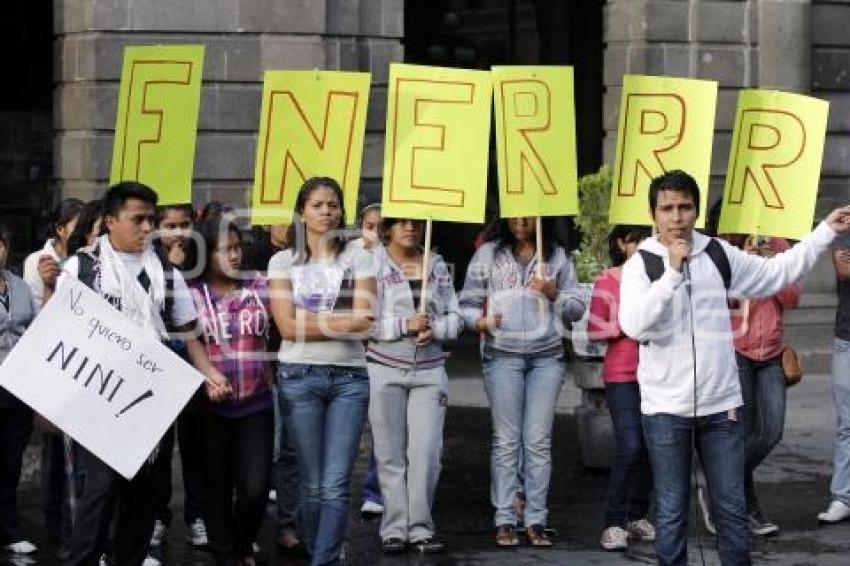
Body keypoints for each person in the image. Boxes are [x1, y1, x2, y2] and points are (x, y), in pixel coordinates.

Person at [618, 169, 850, 566]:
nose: (677, 217)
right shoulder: (643, 265)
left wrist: (824, 232)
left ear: (696, 211)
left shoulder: (718, 253)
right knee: (672, 512)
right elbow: (635, 324)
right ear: (654, 215)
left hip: (721, 407)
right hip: (665, 410)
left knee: (730, 510)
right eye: (667, 208)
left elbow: (777, 272)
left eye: (685, 207)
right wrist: (672, 273)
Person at [56, 182, 222, 566]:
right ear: (110, 221)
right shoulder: (80, 269)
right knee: (100, 488)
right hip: (94, 397)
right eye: (139, 219)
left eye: (152, 218)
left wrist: (209, 372)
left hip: (149, 400)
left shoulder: (166, 271)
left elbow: (188, 329)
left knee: (143, 494)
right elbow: (57, 333)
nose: (149, 227)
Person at [267, 176, 376, 565]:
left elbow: (368, 320)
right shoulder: (282, 262)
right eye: (318, 204)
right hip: (299, 377)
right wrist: (343, 321)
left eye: (333, 204)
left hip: (349, 378)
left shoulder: (359, 257)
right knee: (311, 485)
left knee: (335, 483)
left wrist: (311, 319)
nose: (327, 211)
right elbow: (286, 327)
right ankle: (321, 552)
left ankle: (324, 559)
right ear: (301, 212)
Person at [459, 216, 585, 547]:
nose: (521, 220)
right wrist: (479, 322)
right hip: (501, 357)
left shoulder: (557, 256)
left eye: (528, 214)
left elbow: (577, 309)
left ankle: (536, 519)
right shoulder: (488, 254)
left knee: (538, 441)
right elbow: (467, 303)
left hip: (547, 359)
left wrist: (554, 291)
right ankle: (504, 518)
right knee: (506, 441)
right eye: (514, 214)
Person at [368, 217, 461, 554]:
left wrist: (435, 327)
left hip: (430, 370)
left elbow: (456, 316)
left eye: (416, 224)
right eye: (402, 223)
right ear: (388, 228)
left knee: (426, 452)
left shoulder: (435, 265)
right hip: (384, 366)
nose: (410, 229)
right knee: (389, 453)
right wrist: (403, 324)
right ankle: (393, 527)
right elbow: (363, 321)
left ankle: (420, 526)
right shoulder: (372, 263)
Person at [189, 219, 274, 565]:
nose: (234, 255)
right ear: (205, 255)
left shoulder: (260, 285)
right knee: (216, 489)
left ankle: (242, 544)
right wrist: (207, 378)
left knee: (255, 489)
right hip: (209, 407)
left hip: (256, 402)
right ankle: (226, 554)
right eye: (224, 249)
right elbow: (186, 342)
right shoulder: (189, 293)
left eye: (237, 247)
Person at [588, 225, 655, 551]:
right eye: (634, 239)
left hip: (661, 375)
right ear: (620, 243)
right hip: (623, 375)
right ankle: (612, 522)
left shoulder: (662, 278)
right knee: (629, 445)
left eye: (647, 238)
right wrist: (628, 325)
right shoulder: (608, 279)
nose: (641, 245)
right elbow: (595, 329)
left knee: (652, 448)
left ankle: (637, 515)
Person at [22, 197, 84, 546]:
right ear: (61, 229)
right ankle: (54, 525)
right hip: (53, 361)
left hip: (81, 364)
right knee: (54, 447)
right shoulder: (38, 262)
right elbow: (36, 316)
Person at [728, 235, 799, 536]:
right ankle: (748, 510)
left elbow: (792, 300)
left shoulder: (780, 248)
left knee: (771, 431)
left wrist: (771, 264)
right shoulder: (727, 248)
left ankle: (721, 482)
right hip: (736, 353)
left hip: (771, 355)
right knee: (742, 433)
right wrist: (746, 262)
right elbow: (724, 301)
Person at [149, 203, 209, 549]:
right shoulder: (151, 263)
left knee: (196, 448)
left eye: (184, 224)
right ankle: (158, 516)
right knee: (160, 448)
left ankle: (197, 516)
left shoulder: (202, 260)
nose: (177, 232)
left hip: (196, 365)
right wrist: (170, 265)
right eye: (169, 225)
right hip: (159, 368)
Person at [0, 223, 38, 555]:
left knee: (11, 460)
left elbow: (35, 329)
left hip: (18, 385)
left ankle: (9, 529)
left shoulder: (21, 287)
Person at [353, 202, 386, 519]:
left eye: (381, 226)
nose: (375, 232)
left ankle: (376, 491)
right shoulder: (349, 254)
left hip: (380, 351)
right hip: (351, 351)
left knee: (381, 428)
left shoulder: (394, 257)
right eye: (369, 225)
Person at [819, 233, 850, 523]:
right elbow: (843, 269)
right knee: (847, 423)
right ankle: (843, 496)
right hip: (847, 337)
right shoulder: (845, 231)